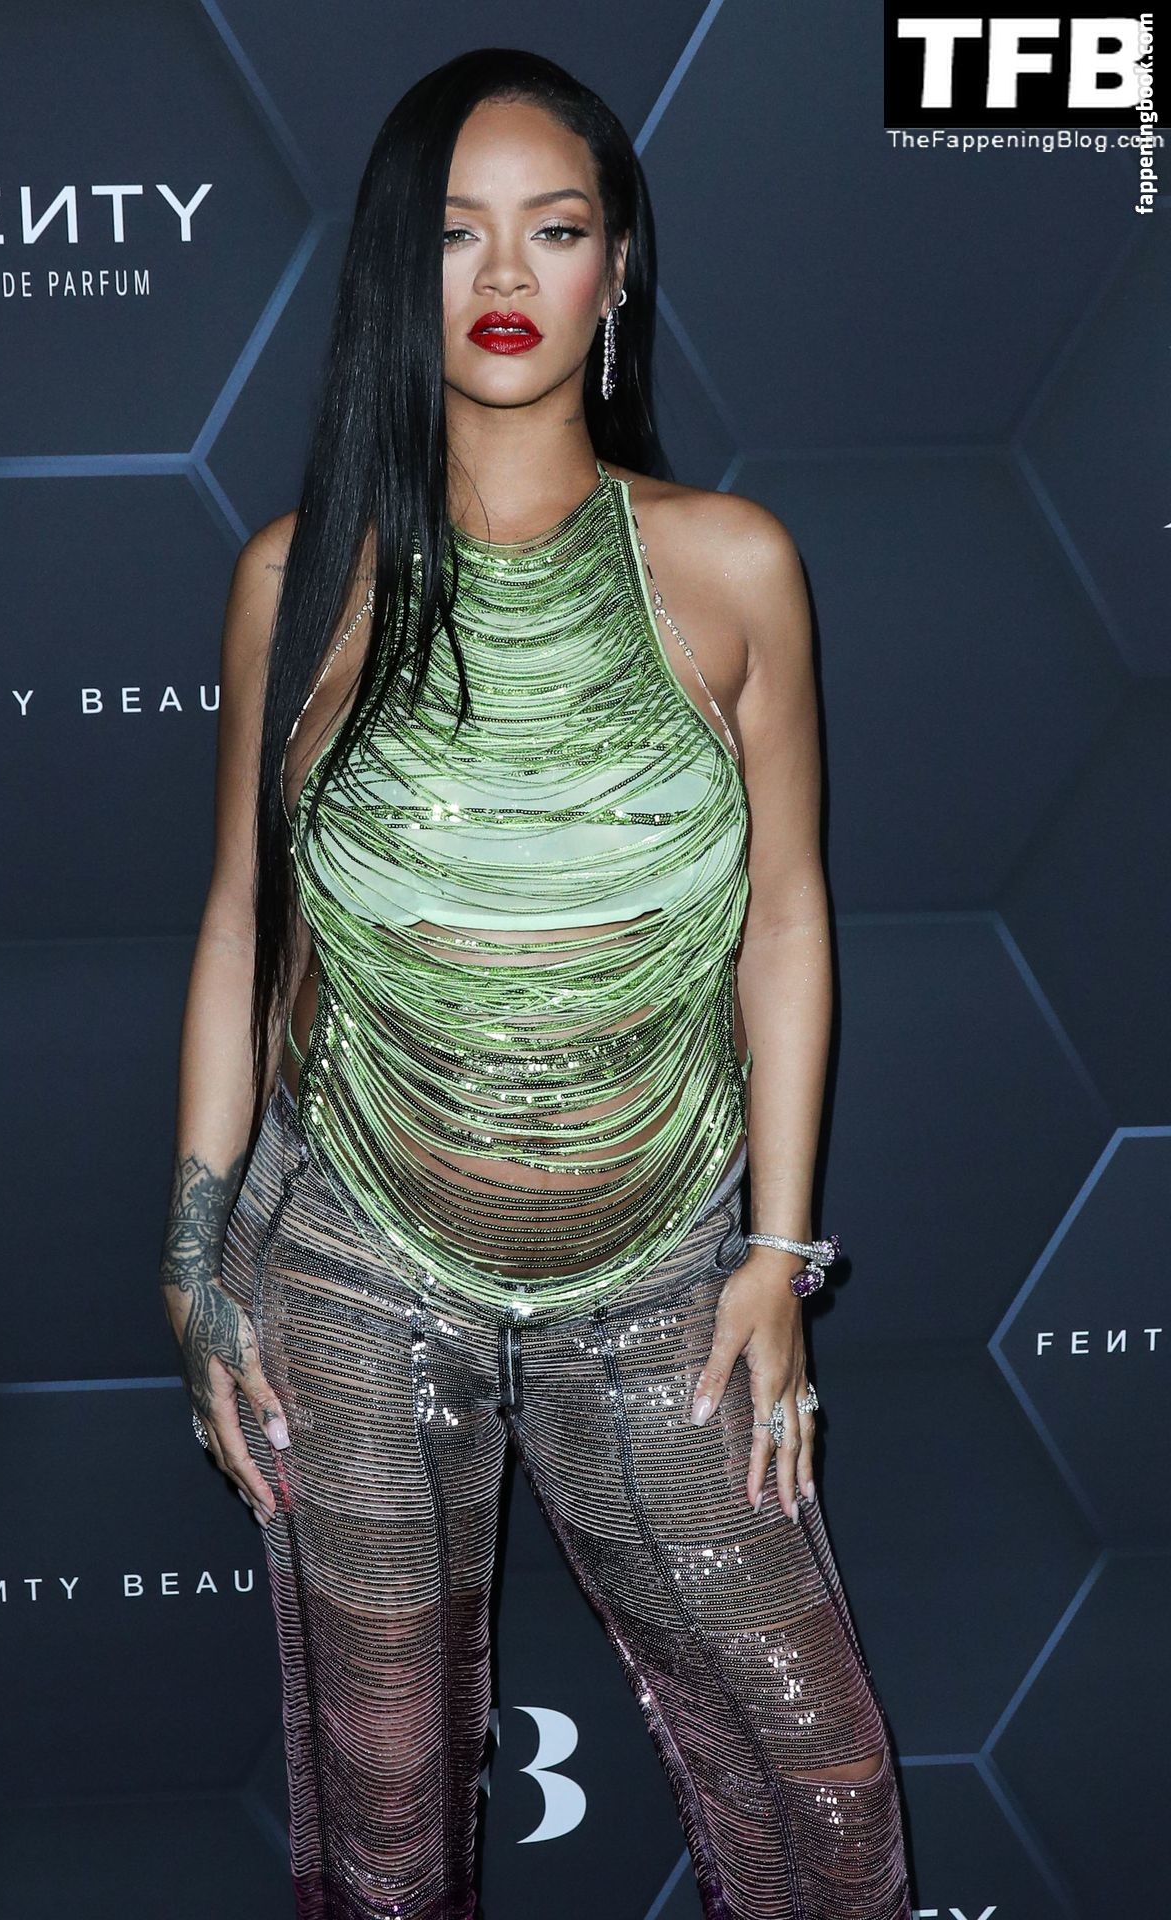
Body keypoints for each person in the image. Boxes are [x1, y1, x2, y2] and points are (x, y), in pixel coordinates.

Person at [159, 46, 912, 1920]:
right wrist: (192, 1254)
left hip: (667, 1270)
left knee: (821, 1799)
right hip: (352, 1255)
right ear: (392, 273)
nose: (504, 274)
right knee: (387, 1824)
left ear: (617, 266)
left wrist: (777, 1257)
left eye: (554, 229)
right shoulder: (296, 580)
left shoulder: (732, 567)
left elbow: (789, 917)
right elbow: (246, 920)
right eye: (453, 234)